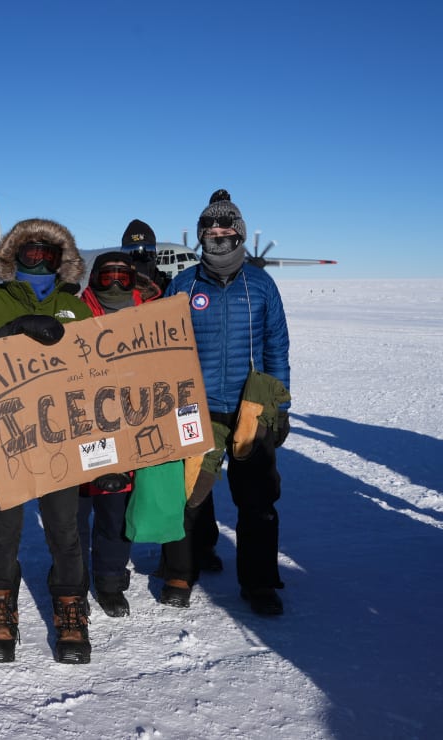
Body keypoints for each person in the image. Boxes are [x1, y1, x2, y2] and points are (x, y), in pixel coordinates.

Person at [0, 218, 94, 664]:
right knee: (5, 531)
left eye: (48, 252)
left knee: (66, 531)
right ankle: (0, 611)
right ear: (12, 255)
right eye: (29, 250)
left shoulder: (76, 306)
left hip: (61, 440)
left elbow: (99, 371)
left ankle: (70, 610)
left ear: (61, 259)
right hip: (4, 441)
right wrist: (3, 337)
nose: (39, 257)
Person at [163, 190, 292, 616]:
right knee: (189, 494)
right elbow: (162, 347)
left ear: (238, 234)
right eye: (211, 231)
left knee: (256, 501)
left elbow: (277, 346)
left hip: (250, 408)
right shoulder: (184, 284)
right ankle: (185, 569)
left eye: (226, 230)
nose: (218, 236)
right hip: (195, 407)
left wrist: (280, 407)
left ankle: (258, 583)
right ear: (201, 235)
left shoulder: (261, 285)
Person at [75, 253, 160, 618]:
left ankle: (110, 582)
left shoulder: (152, 313)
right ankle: (72, 583)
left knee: (114, 511)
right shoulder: (74, 312)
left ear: (133, 280)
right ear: (94, 278)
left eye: (122, 279)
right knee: (74, 514)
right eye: (106, 277)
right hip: (79, 426)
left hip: (127, 427)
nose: (113, 285)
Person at [120, 219, 170, 293]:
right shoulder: (117, 289)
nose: (139, 260)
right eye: (130, 253)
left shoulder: (170, 288)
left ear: (155, 254)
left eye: (147, 251)